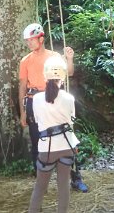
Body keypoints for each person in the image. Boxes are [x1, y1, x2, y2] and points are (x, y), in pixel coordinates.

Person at [18, 23, 87, 192]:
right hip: (35, 102)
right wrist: (23, 112)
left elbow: (68, 73)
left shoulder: (54, 56)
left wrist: (69, 59)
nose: (29, 43)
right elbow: (22, 87)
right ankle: (41, 181)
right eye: (27, 41)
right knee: (38, 141)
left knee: (66, 136)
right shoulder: (25, 61)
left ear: (41, 39)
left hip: (55, 99)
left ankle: (75, 177)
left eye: (32, 40)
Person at [28, 55, 80, 213]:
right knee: (63, 186)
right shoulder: (69, 98)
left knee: (39, 188)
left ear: (45, 76)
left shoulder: (36, 99)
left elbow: (38, 122)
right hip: (66, 145)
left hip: (47, 149)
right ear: (62, 77)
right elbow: (71, 121)